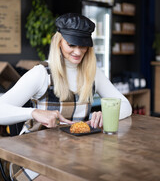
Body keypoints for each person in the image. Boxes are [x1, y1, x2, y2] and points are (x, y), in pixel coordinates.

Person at [0, 13, 132, 180]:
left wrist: (106, 116)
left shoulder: (93, 74)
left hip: (74, 158)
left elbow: (126, 105)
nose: (78, 52)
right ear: (59, 42)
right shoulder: (41, 74)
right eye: (71, 45)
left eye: (83, 46)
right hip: (33, 158)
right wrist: (33, 113)